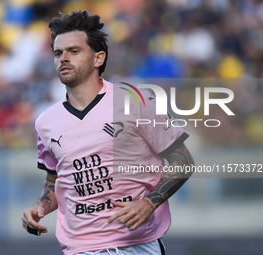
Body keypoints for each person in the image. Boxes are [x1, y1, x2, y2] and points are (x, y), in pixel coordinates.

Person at [22, 10, 194, 255]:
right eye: (58, 53)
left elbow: (183, 161)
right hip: (79, 248)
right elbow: (55, 179)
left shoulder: (135, 101)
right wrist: (39, 207)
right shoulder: (45, 122)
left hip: (137, 245)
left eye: (74, 51)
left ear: (98, 58)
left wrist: (147, 204)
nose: (64, 59)